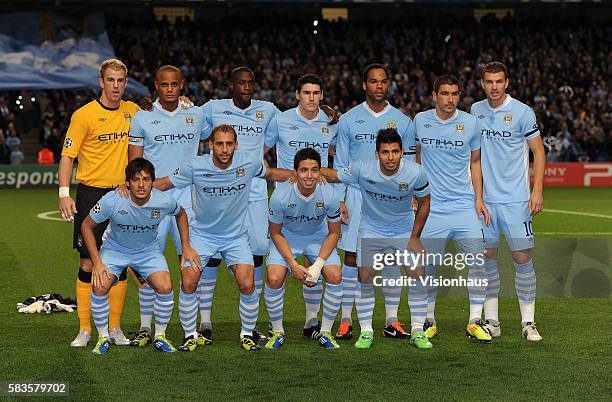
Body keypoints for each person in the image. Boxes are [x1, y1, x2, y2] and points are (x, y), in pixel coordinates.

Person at [153, 124, 294, 351]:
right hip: (201, 236)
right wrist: (132, 188)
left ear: (236, 145)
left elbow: (271, 173)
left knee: (247, 283)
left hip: (236, 237)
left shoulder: (248, 163)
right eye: (220, 144)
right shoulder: (195, 166)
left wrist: (301, 175)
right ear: (211, 145)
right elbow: (165, 183)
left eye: (229, 144)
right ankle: (190, 334)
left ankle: (247, 333)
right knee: (189, 281)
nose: (225, 149)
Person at [321, 128, 432, 349]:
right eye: (385, 152)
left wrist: (415, 237)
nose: (390, 157)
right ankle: (366, 331)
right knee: (365, 275)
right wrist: (304, 172)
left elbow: (425, 203)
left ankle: (418, 330)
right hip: (371, 228)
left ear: (402, 152)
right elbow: (334, 175)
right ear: (376, 153)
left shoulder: (416, 172)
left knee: (417, 273)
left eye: (394, 152)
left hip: (403, 228)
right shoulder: (363, 169)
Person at [58, 59, 140, 348]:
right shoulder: (84, 115)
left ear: (125, 83)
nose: (116, 85)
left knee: (120, 261)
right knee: (87, 262)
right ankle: (85, 329)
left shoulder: (134, 112)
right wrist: (64, 193)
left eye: (120, 80)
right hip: (91, 194)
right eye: (111, 80)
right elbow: (68, 156)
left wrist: (183, 102)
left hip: (124, 196)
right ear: (101, 82)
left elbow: (162, 118)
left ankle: (115, 329)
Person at [127, 65, 210, 347]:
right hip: (152, 198)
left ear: (182, 85)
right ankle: (145, 328)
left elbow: (225, 127)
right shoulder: (142, 117)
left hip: (189, 197)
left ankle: (190, 331)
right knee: (148, 261)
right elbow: (134, 162)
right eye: (164, 85)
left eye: (175, 85)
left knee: (190, 264)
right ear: (156, 86)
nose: (170, 89)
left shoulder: (196, 114)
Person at [333, 63, 417, 340]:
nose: (378, 86)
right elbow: (341, 164)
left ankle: (392, 320)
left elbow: (409, 162)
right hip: (357, 195)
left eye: (383, 81)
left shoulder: (403, 121)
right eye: (373, 81)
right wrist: (339, 201)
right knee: (352, 257)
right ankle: (346, 320)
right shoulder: (348, 119)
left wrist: (412, 195)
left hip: (391, 199)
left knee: (392, 256)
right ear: (364, 85)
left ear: (388, 84)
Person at [82, 158, 200, 354]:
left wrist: (186, 246)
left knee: (165, 286)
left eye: (146, 180)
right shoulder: (113, 200)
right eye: (136, 180)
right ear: (127, 183)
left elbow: (181, 214)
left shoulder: (163, 200)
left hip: (148, 251)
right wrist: (97, 262)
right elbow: (86, 226)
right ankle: (103, 337)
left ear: (153, 182)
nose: (141, 185)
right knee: (99, 285)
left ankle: (160, 336)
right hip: (115, 249)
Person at [414, 74, 492, 344]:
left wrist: (479, 199)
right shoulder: (420, 121)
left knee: (478, 263)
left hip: (463, 206)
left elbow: (476, 163)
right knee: (428, 267)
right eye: (445, 94)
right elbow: (417, 158)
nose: (450, 99)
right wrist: (416, 193)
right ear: (434, 95)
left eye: (455, 94)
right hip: (432, 208)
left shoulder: (470, 123)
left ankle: (474, 320)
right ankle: (428, 319)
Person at [470, 61, 545, 341]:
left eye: (499, 81)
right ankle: (493, 322)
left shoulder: (523, 113)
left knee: (521, 258)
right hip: (485, 202)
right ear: (482, 83)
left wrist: (536, 191)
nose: (494, 87)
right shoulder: (475, 111)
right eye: (489, 82)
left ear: (507, 82)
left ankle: (528, 323)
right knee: (487, 259)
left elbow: (538, 152)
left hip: (516, 201)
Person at [264, 73, 338, 339]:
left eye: (316, 93)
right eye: (306, 93)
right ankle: (277, 330)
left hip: (318, 198)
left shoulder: (330, 122)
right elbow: (259, 152)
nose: (311, 98)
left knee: (314, 263)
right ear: (297, 94)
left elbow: (334, 159)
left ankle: (311, 322)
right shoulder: (281, 120)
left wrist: (337, 195)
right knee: (276, 275)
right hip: (287, 201)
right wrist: (282, 174)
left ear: (321, 95)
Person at [265, 148, 342, 350]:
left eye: (314, 170)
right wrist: (292, 264)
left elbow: (334, 233)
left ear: (320, 172)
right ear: (295, 172)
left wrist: (317, 265)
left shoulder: (330, 194)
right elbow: (275, 233)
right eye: (304, 170)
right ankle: (277, 331)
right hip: (287, 237)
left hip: (317, 237)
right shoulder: (280, 195)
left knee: (335, 275)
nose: (309, 176)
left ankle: (325, 332)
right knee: (274, 277)